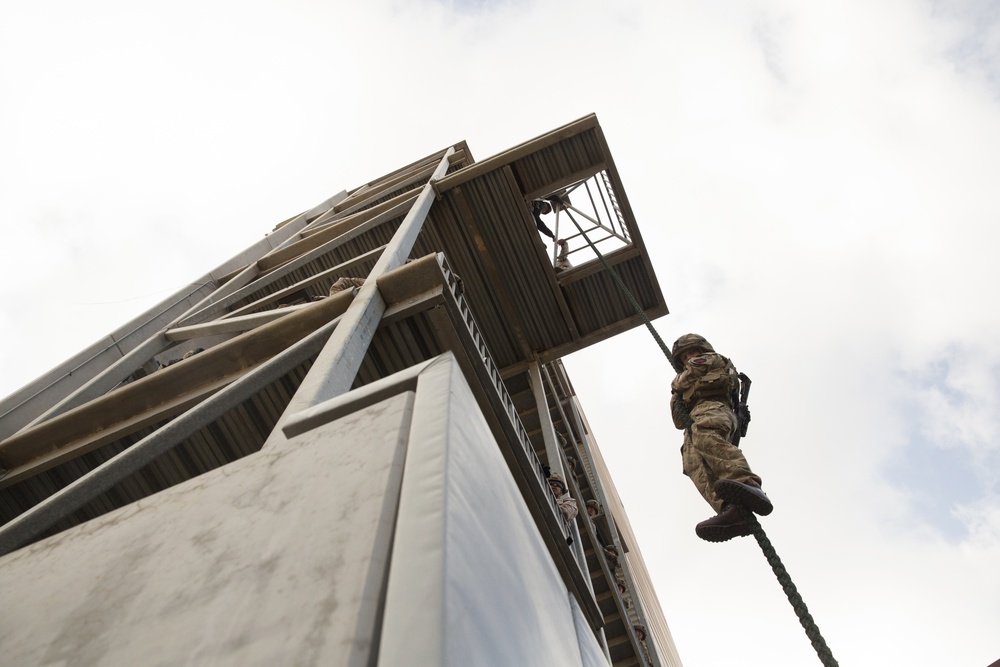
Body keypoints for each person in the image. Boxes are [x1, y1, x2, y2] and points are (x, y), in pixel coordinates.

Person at [670, 333, 772, 543]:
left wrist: (678, 385)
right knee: (692, 464)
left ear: (701, 350)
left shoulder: (713, 359)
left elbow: (690, 373)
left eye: (692, 352)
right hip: (693, 424)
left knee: (707, 436)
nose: (688, 358)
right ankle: (730, 510)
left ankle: (747, 482)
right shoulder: (683, 384)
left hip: (714, 409)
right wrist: (677, 393)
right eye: (683, 357)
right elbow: (678, 420)